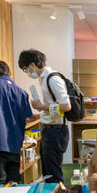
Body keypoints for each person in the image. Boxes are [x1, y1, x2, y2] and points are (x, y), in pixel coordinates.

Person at [18, 49, 71, 184]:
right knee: (48, 172)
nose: (28, 72)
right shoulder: (44, 79)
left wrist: (41, 107)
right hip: (51, 129)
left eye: (26, 69)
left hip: (56, 130)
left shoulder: (52, 79)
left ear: (32, 64)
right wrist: (39, 115)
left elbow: (66, 106)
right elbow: (55, 106)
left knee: (53, 174)